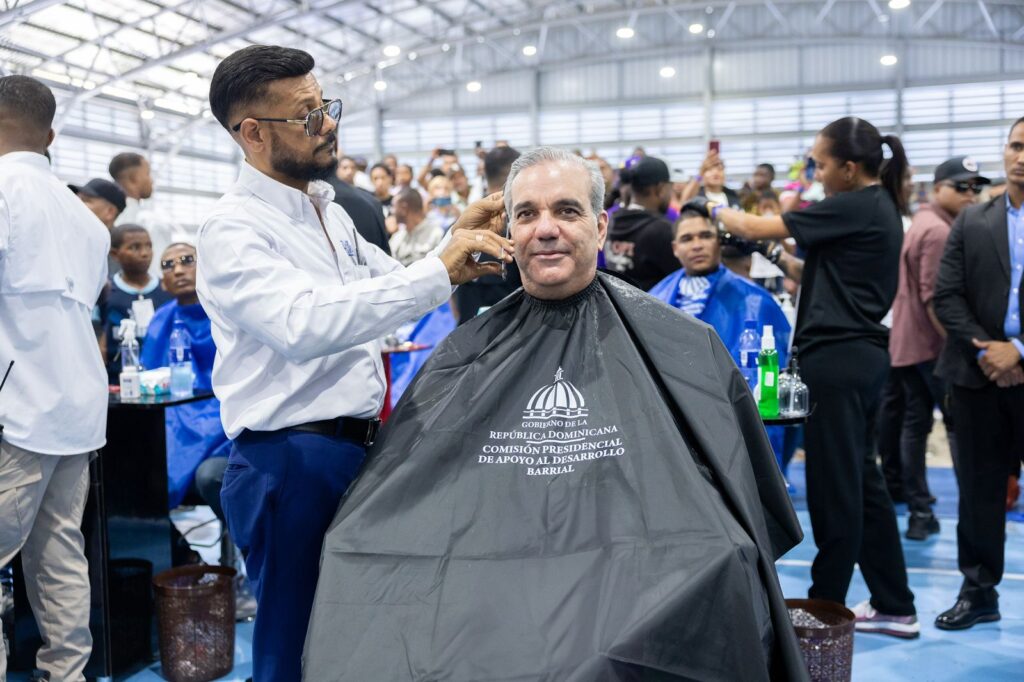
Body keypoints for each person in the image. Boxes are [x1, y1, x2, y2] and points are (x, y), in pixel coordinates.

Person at [305, 146, 808, 681]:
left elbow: (745, 503)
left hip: (638, 579)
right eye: (527, 214)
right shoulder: (464, 356)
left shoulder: (683, 343)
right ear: (508, 232)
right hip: (488, 579)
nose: (545, 229)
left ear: (600, 225)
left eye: (566, 211)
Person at [200, 45, 513, 680]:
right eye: (307, 115)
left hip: (353, 447)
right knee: (292, 644)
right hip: (291, 457)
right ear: (253, 133)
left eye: (327, 107)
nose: (328, 124)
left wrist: (455, 248)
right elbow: (304, 323)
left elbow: (391, 290)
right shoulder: (234, 229)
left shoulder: (331, 213)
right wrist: (438, 269)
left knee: (353, 630)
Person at [702, 116, 919, 638]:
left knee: (834, 489)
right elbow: (808, 272)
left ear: (847, 167)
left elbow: (751, 225)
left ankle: (824, 608)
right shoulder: (871, 209)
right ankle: (894, 603)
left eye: (820, 165)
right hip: (856, 357)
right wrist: (772, 253)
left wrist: (712, 195)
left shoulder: (855, 203)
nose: (816, 173)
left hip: (840, 360)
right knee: (862, 485)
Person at [0, 74, 109, 682]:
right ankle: (67, 675)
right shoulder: (88, 220)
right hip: (75, 413)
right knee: (59, 558)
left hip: (15, 413)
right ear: (50, 135)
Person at [932, 117, 1024, 631]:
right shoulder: (972, 221)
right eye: (1015, 145)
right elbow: (946, 295)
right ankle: (979, 592)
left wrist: (1020, 351)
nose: (1021, 156)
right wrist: (991, 352)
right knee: (980, 494)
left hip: (1013, 366)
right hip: (976, 373)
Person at [890, 155, 988, 540]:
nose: (970, 194)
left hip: (910, 345)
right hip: (934, 348)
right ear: (937, 189)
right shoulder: (939, 232)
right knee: (957, 428)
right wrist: (965, 349)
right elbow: (936, 300)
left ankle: (920, 512)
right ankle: (969, 509)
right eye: (961, 186)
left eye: (975, 187)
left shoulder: (926, 223)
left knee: (915, 425)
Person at [649, 207, 791, 463]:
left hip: (731, 421)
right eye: (687, 238)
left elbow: (774, 387)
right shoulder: (653, 299)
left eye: (705, 236)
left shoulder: (756, 301)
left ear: (720, 242)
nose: (697, 245)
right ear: (674, 248)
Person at [140, 242, 230, 510]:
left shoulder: (227, 312)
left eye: (187, 260)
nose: (178, 270)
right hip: (176, 417)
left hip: (224, 418)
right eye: (168, 265)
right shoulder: (161, 319)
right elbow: (151, 375)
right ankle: (179, 551)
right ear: (163, 283)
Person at [452, 145, 523, 323]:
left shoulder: (463, 221)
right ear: (517, 174)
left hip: (466, 337)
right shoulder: (522, 224)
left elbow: (451, 294)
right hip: (514, 336)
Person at [98, 224, 173, 382]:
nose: (144, 253)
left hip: (161, 381)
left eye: (148, 246)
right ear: (115, 254)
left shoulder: (167, 289)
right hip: (117, 381)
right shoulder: (106, 290)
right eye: (135, 247)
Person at [604, 156, 679, 290]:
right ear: (660, 189)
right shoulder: (662, 231)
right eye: (670, 188)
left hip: (618, 306)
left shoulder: (611, 221)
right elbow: (681, 280)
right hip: (654, 308)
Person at [110, 151, 183, 279]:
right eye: (148, 174)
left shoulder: (111, 219)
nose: (151, 180)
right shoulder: (149, 221)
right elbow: (161, 271)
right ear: (134, 179)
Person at [71, 177, 126, 277]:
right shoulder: (68, 238)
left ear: (110, 212)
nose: (76, 204)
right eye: (76, 198)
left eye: (85, 200)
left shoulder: (121, 249)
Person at [388, 187, 443, 266]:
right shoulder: (397, 237)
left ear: (404, 208)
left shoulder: (436, 234)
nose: (392, 211)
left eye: (394, 206)